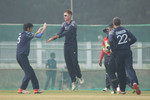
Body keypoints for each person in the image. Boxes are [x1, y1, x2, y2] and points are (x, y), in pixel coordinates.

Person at [46, 10, 84, 90]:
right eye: (64, 15)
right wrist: (53, 38)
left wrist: (58, 36)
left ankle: (79, 76)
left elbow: (67, 32)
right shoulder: (63, 24)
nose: (64, 17)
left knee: (74, 62)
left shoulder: (73, 23)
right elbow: (60, 32)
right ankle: (73, 81)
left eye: (66, 15)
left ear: (70, 15)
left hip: (73, 45)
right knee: (68, 64)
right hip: (66, 45)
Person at [108, 17, 141, 95]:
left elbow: (111, 41)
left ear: (113, 24)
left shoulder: (112, 32)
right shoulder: (126, 30)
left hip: (118, 53)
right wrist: (126, 44)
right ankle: (134, 82)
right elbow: (134, 39)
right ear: (120, 23)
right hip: (127, 51)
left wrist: (112, 48)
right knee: (129, 67)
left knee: (120, 71)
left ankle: (122, 90)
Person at [16, 22, 46, 94]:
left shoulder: (23, 34)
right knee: (28, 73)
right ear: (28, 28)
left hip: (19, 56)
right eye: (31, 28)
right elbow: (39, 36)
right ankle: (21, 89)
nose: (32, 29)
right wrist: (44, 29)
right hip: (22, 56)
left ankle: (36, 89)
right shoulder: (27, 34)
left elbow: (32, 36)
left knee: (31, 72)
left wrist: (37, 32)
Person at [99, 23, 114, 91]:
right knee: (107, 72)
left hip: (113, 56)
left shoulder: (114, 39)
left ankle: (117, 86)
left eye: (108, 31)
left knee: (114, 71)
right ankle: (107, 87)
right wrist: (100, 59)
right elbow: (103, 50)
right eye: (106, 32)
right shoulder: (104, 40)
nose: (107, 33)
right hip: (106, 57)